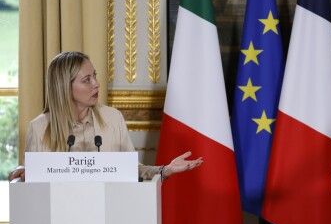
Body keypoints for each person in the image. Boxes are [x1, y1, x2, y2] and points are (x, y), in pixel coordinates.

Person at [8, 51, 203, 182]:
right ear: (64, 88)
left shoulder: (113, 118)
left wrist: (165, 170)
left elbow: (131, 169)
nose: (96, 84)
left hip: (108, 219)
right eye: (86, 80)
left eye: (95, 76)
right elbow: (33, 181)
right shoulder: (40, 128)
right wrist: (26, 173)